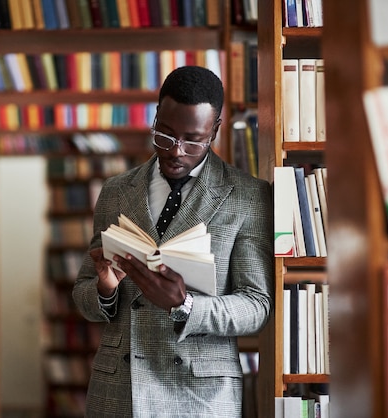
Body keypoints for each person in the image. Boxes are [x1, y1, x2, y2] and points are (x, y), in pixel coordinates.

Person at [72, 65, 273, 417]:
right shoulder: (115, 192)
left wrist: (187, 306)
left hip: (201, 395)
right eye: (164, 136)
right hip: (121, 390)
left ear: (215, 131)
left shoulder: (247, 196)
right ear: (155, 118)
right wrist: (104, 290)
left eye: (193, 140)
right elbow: (83, 296)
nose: (177, 151)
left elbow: (257, 306)